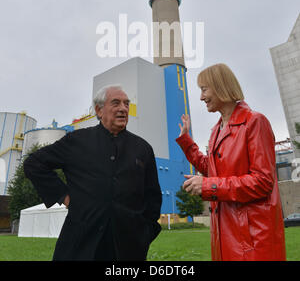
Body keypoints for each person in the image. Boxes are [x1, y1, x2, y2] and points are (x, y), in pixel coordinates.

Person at [24, 85, 162, 261]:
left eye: (126, 104)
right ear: (99, 110)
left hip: (127, 248)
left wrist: (144, 234)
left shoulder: (143, 149)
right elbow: (34, 164)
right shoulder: (76, 141)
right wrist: (63, 196)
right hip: (80, 244)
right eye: (116, 103)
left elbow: (153, 198)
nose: (123, 108)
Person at [176, 63, 286, 261]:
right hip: (224, 234)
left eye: (204, 89)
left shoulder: (254, 122)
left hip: (253, 239)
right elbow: (212, 170)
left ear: (220, 86)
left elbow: (263, 182)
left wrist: (207, 185)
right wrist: (186, 142)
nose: (201, 97)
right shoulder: (216, 131)